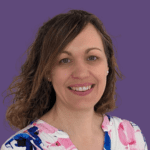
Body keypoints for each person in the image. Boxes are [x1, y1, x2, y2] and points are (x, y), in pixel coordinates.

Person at [1, 9, 147, 150]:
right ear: (47, 72)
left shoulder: (131, 135)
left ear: (107, 66)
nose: (81, 73)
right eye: (65, 60)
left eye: (92, 58)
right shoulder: (19, 147)